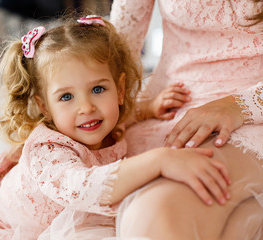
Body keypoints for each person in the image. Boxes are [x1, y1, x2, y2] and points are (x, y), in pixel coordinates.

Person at [0, 15, 234, 240]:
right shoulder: (48, 152)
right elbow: (85, 186)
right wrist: (161, 159)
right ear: (42, 106)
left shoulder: (98, 123)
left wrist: (149, 108)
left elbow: (122, 121)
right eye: (66, 96)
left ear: (119, 90)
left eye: (98, 89)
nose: (86, 107)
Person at [108, 0, 263, 239]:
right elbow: (115, 52)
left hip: (252, 115)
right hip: (161, 110)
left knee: (156, 212)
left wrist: (236, 106)